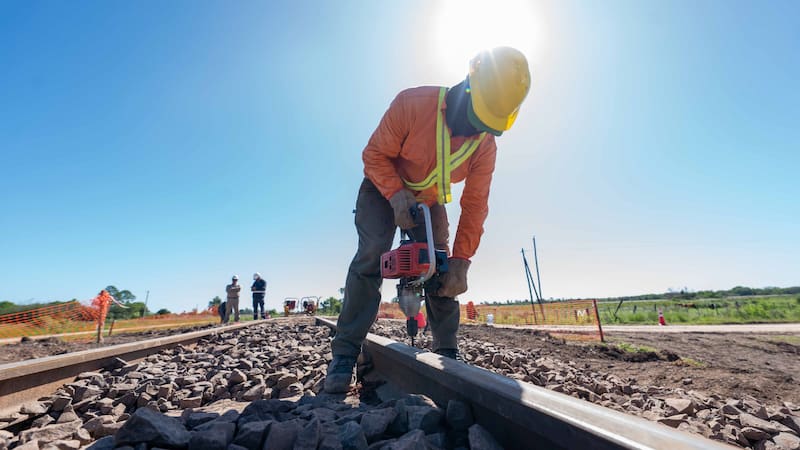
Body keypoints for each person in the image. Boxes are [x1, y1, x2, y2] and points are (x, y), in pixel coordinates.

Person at [325, 47, 531, 393]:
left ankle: (447, 351)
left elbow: (476, 204)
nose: (478, 129)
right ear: (469, 83)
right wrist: (394, 193)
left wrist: (462, 261)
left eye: (488, 124)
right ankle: (345, 353)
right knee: (373, 253)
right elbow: (374, 155)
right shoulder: (412, 104)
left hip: (427, 200)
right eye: (477, 118)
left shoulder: (485, 146)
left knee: (439, 264)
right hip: (381, 187)